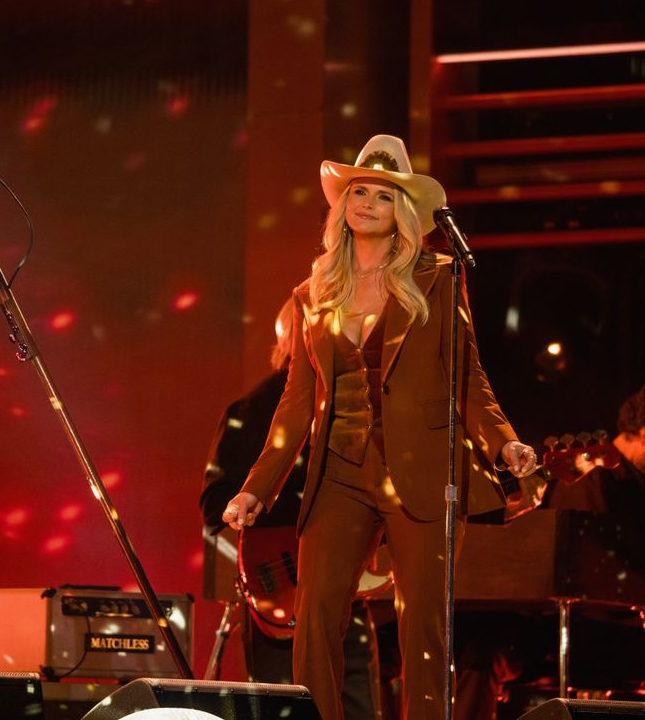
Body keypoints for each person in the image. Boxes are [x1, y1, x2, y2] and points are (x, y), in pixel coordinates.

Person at [221, 134, 537, 720]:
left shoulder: (439, 278)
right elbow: (294, 405)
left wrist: (504, 440)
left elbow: (467, 376)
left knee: (424, 627)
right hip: (340, 471)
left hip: (421, 467)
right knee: (315, 618)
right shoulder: (313, 293)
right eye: (357, 192)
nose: (365, 203)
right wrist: (255, 488)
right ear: (341, 206)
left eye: (383, 196)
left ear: (404, 215)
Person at [200, 301, 380, 718]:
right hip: (282, 587)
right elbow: (215, 503)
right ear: (293, 337)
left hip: (344, 585)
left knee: (355, 701)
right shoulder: (253, 410)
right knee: (288, 705)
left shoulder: (359, 404)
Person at [454, 384, 645, 719]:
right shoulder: (598, 477)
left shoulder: (620, 479)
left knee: (482, 650)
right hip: (584, 625)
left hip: (594, 627)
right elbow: (587, 570)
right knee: (478, 650)